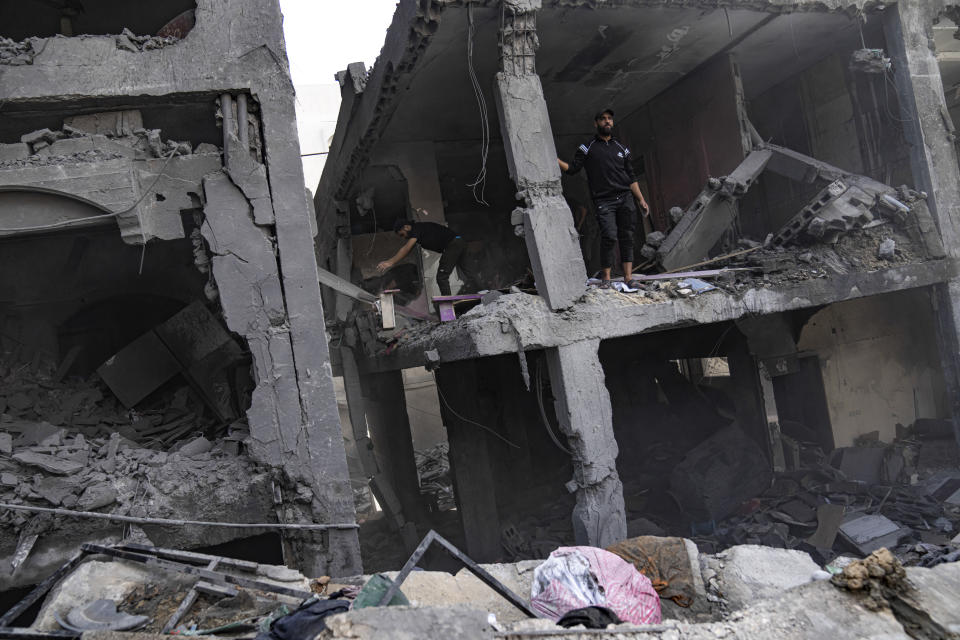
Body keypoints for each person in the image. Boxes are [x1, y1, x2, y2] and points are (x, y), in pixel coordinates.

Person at [558, 108, 651, 289]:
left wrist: (641, 199)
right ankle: (606, 279)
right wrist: (554, 160)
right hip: (604, 201)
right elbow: (572, 169)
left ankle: (628, 278)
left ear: (612, 123)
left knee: (627, 237)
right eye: (603, 119)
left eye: (609, 119)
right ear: (596, 123)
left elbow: (631, 177)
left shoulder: (621, 148)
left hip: (625, 198)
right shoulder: (588, 147)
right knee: (609, 236)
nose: (607, 121)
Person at [377, 218, 466, 296]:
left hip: (453, 244)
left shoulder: (417, 228)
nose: (404, 238)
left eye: (402, 235)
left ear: (406, 227)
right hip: (459, 241)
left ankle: (448, 306)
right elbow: (407, 250)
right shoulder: (419, 231)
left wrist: (390, 262)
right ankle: (479, 295)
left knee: (441, 277)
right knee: (469, 271)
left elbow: (406, 248)